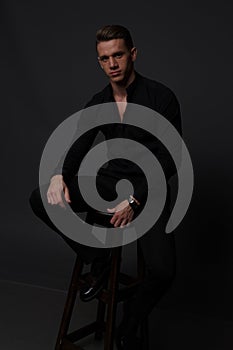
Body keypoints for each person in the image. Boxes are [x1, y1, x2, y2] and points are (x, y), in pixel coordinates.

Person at [30, 24, 182, 349]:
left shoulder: (161, 97)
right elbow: (79, 143)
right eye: (104, 58)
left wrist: (136, 199)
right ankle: (97, 259)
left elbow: (171, 159)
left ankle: (128, 323)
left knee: (164, 271)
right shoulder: (99, 101)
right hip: (110, 182)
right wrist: (59, 174)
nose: (111, 63)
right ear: (99, 62)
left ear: (133, 54)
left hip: (148, 188)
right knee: (41, 197)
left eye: (118, 55)